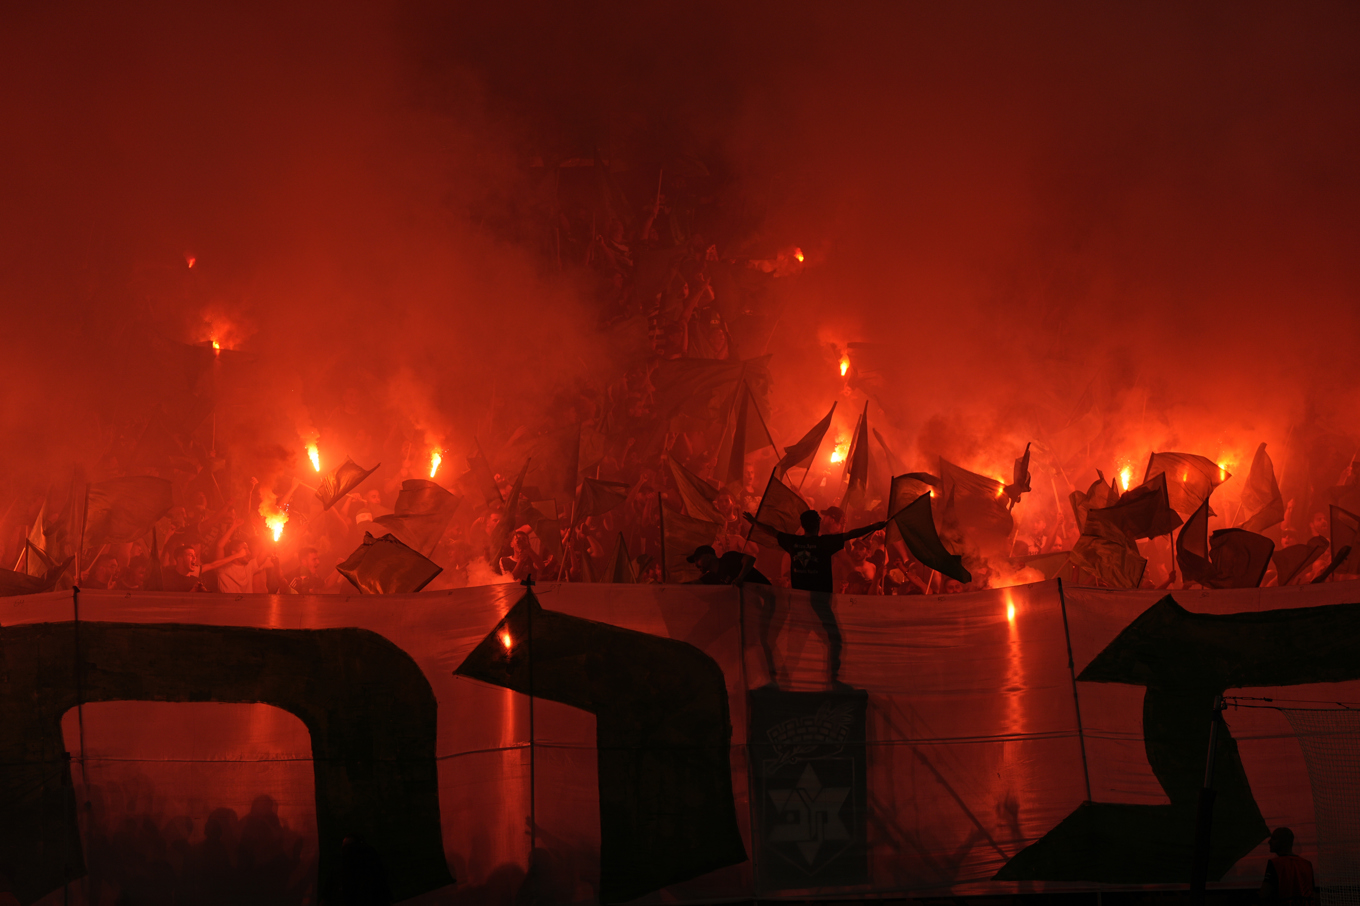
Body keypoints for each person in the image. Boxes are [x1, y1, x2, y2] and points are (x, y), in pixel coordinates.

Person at [743, 508, 886, 689]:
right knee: (834, 639)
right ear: (817, 524)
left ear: (803, 525)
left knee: (795, 647)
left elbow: (772, 531)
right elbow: (851, 534)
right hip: (819, 603)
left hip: (798, 603)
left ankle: (778, 682)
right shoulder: (825, 543)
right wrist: (875, 525)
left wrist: (755, 522)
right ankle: (832, 680)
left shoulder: (793, 541)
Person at [1260, 826, 1316, 906]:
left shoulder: (1275, 864)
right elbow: (1312, 893)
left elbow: (1264, 894)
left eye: (1274, 838)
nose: (1269, 841)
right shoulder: (1307, 864)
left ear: (1284, 842)